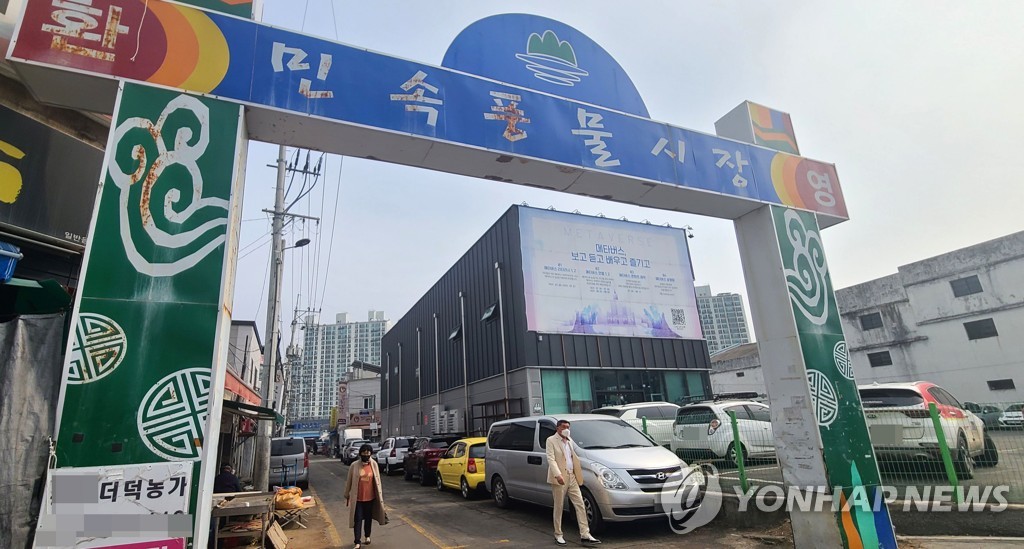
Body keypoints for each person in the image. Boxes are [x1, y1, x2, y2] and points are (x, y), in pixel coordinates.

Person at [546, 420, 601, 546]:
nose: (566, 429)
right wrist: (557, 474)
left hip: (572, 476)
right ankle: (558, 534)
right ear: (558, 428)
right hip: (560, 477)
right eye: (564, 427)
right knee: (559, 506)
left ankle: (585, 534)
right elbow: (551, 458)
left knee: (580, 504)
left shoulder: (569, 440)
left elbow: (573, 457)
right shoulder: (551, 440)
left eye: (568, 427)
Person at [343, 444, 387, 549]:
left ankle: (367, 536)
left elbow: (378, 481)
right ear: (360, 454)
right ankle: (357, 542)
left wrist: (380, 496)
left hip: (370, 498)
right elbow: (349, 481)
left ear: (370, 454)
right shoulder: (354, 465)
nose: (366, 456)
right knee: (357, 519)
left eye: (368, 454)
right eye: (364, 453)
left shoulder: (374, 465)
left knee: (368, 518)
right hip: (357, 498)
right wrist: (347, 494)